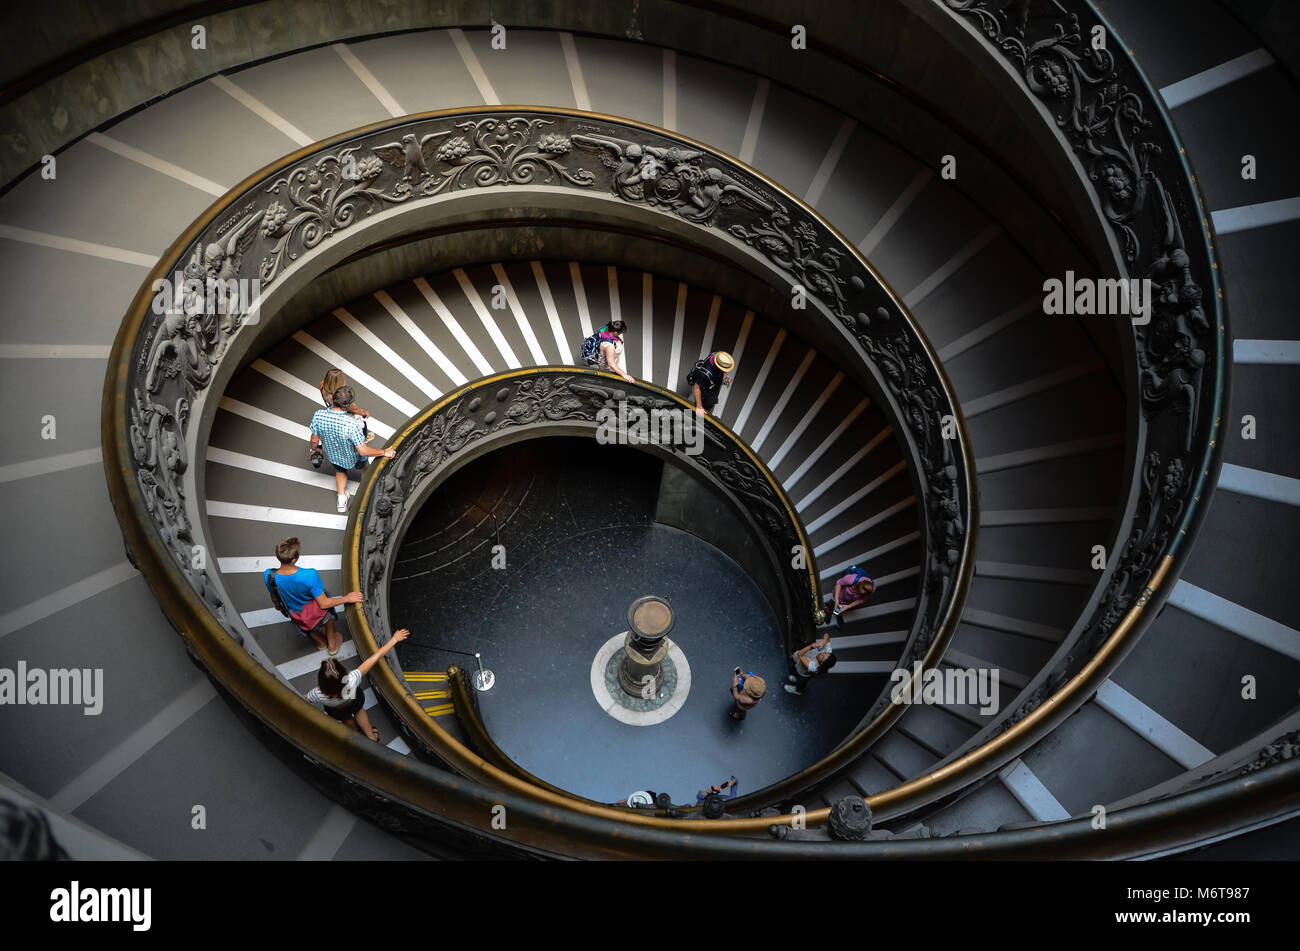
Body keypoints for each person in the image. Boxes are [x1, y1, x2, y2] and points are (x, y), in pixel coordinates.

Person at [263, 536, 363, 655]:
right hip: (315, 612)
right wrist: (347, 598)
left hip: (296, 613)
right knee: (328, 611)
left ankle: (321, 643)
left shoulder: (269, 575)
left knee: (308, 628)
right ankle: (332, 644)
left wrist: (278, 607)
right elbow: (324, 603)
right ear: (294, 559)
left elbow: (274, 596)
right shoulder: (309, 575)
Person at [307, 628, 409, 740]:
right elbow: (375, 658)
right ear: (343, 672)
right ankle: (371, 736)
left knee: (346, 720)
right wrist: (394, 639)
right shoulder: (351, 679)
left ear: (322, 681)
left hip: (337, 710)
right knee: (359, 710)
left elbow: (305, 698)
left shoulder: (318, 693)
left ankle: (355, 732)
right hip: (354, 701)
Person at [309, 384, 396, 513]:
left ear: (334, 398)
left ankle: (341, 501)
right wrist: (384, 452)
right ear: (348, 404)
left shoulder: (319, 415)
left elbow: (314, 439)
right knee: (365, 467)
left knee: (340, 472)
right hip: (354, 456)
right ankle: (366, 490)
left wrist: (315, 449)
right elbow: (363, 450)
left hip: (333, 455)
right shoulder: (351, 424)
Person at [311, 369, 370, 469]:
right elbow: (353, 409)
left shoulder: (322, 386)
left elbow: (313, 439)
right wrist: (364, 413)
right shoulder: (340, 396)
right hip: (344, 414)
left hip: (331, 410)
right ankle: (362, 441)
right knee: (362, 427)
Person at [687, 350, 734, 417]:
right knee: (689, 411)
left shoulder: (716, 354)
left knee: (705, 412)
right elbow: (696, 388)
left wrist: (724, 375)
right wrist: (699, 406)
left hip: (711, 392)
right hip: (702, 391)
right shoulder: (705, 374)